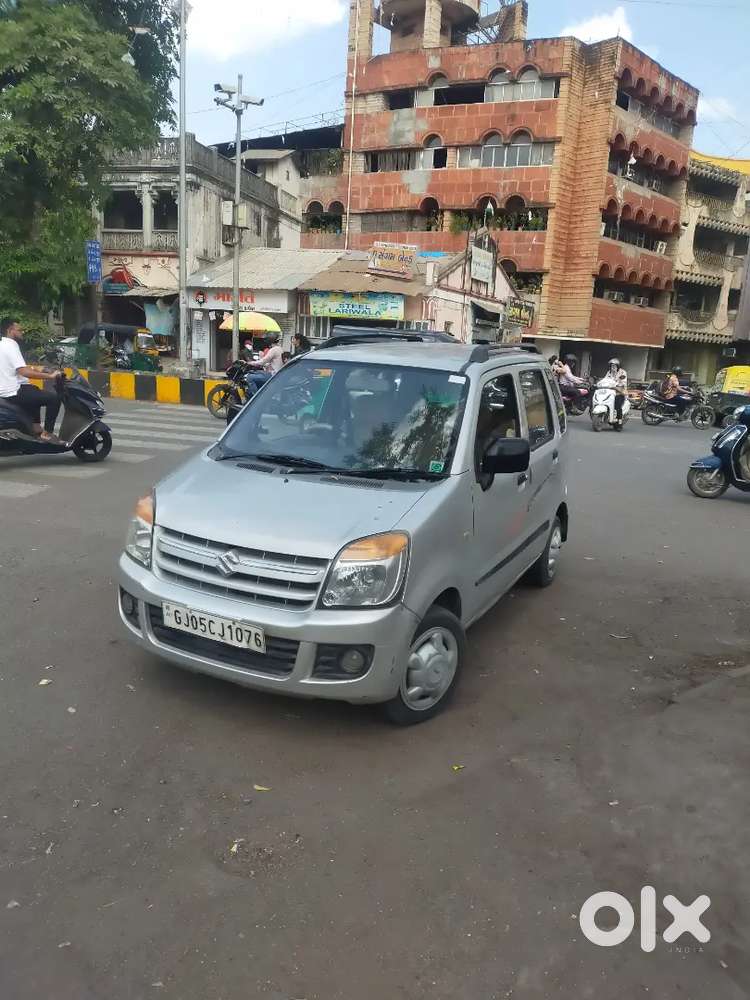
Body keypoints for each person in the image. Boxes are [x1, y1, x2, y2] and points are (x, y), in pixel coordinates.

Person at [0, 318, 62, 440]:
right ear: (10, 330)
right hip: (13, 391)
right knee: (54, 398)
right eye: (19, 330)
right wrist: (49, 376)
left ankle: (35, 427)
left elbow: (14, 367)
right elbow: (23, 371)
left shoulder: (2, 344)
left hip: (6, 389)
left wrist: (37, 368)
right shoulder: (11, 345)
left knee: (33, 389)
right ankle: (47, 433)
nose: (22, 332)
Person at [605, 357, 628, 424]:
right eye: (611, 366)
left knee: (617, 405)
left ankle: (619, 422)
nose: (613, 367)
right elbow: (605, 379)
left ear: (618, 366)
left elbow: (623, 382)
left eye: (614, 366)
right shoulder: (609, 372)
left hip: (620, 392)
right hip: (610, 391)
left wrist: (616, 385)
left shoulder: (622, 372)